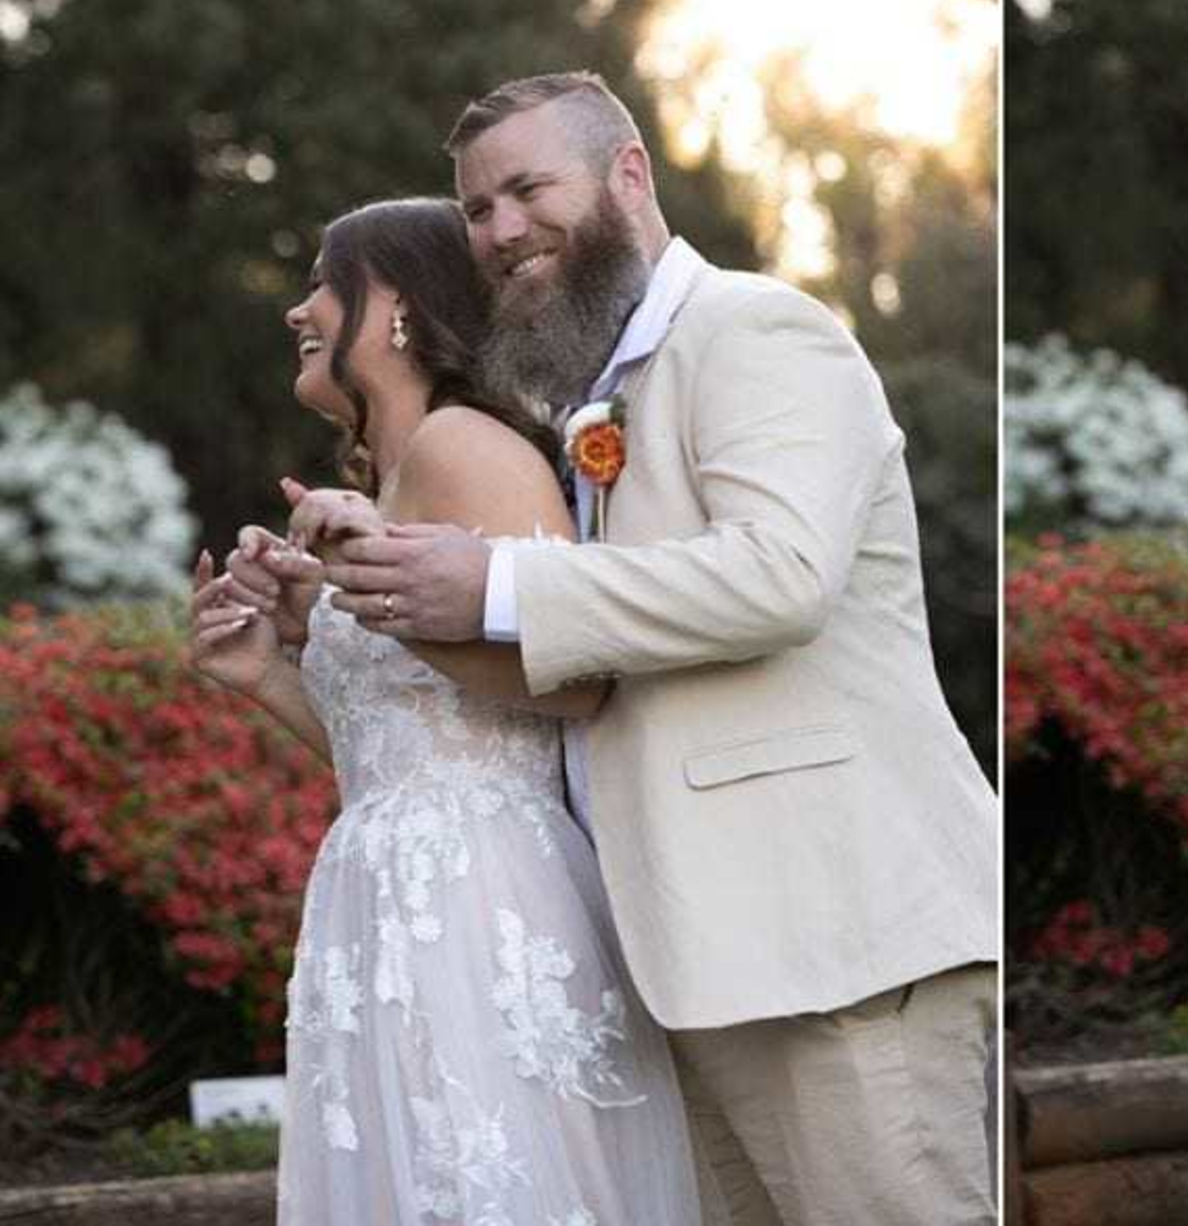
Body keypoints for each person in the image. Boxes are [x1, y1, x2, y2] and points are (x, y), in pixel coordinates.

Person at [238, 73, 1000, 1226]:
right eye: (478, 209)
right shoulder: (584, 398)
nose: (498, 230)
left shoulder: (757, 328)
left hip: (829, 940)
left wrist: (491, 581)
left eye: (526, 189)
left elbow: (781, 574)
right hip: (670, 956)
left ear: (629, 173)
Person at [190, 196, 704, 1224]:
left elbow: (580, 676)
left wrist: (368, 593)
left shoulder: (463, 445)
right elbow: (401, 746)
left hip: (483, 893)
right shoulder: (399, 469)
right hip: (387, 888)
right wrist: (264, 670)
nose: (299, 310)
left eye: (320, 285)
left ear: (389, 306)